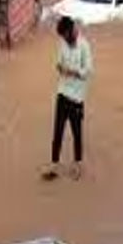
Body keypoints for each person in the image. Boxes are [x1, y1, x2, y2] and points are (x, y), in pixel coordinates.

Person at [44, 16, 92, 181]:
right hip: (62, 93)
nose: (64, 39)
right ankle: (54, 165)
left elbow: (88, 71)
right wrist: (60, 68)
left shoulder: (84, 46)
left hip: (77, 97)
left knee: (77, 133)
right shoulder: (62, 44)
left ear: (71, 30)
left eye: (65, 35)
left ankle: (78, 165)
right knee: (57, 131)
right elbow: (58, 63)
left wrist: (74, 72)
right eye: (62, 37)